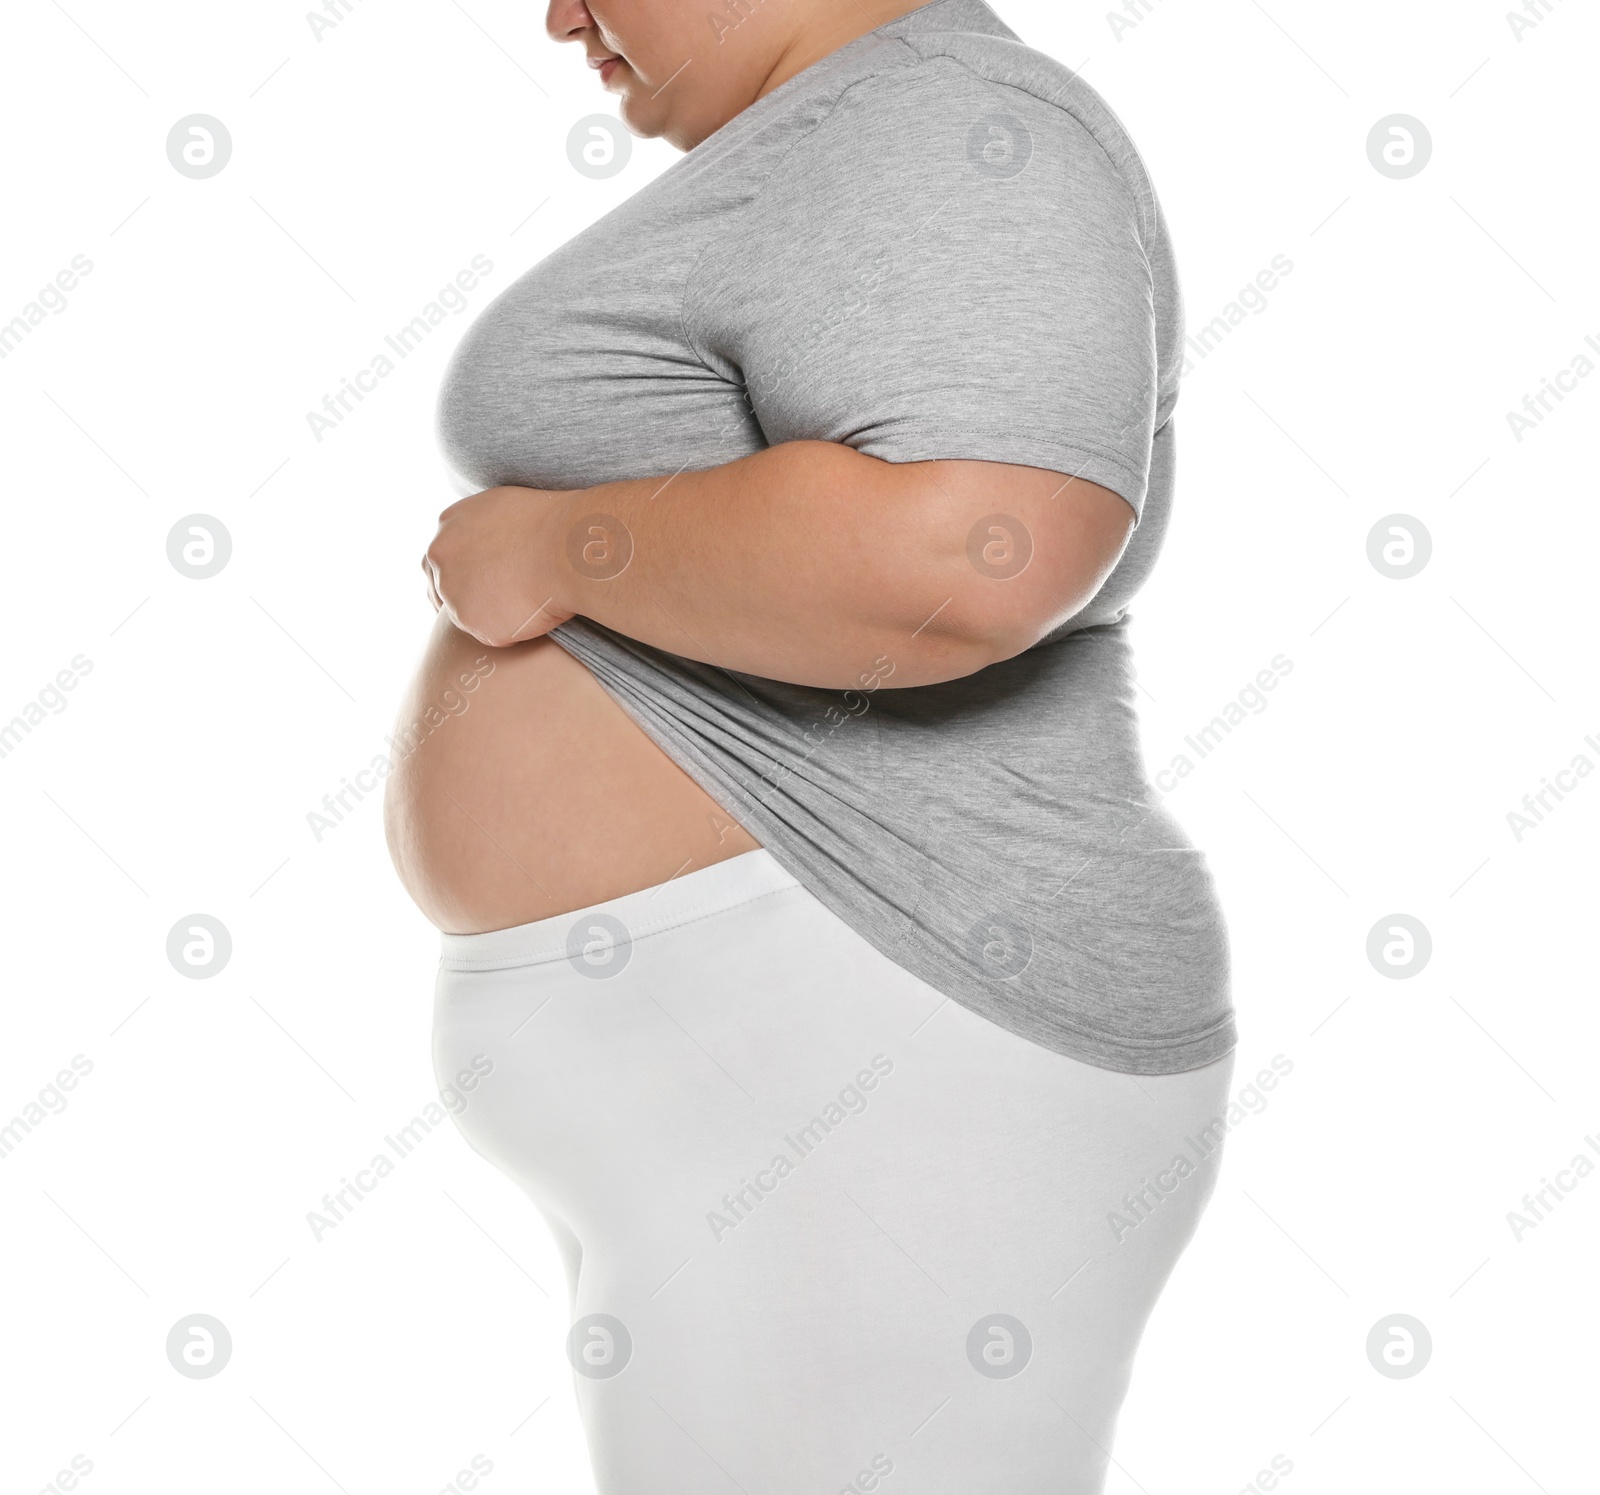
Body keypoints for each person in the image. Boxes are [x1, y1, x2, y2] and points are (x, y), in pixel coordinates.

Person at [384, 0, 1239, 1488]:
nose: (558, 11)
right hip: (796, 1072)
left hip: (892, 1025)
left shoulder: (957, 125)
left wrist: (558, 547)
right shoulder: (850, 135)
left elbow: (976, 549)